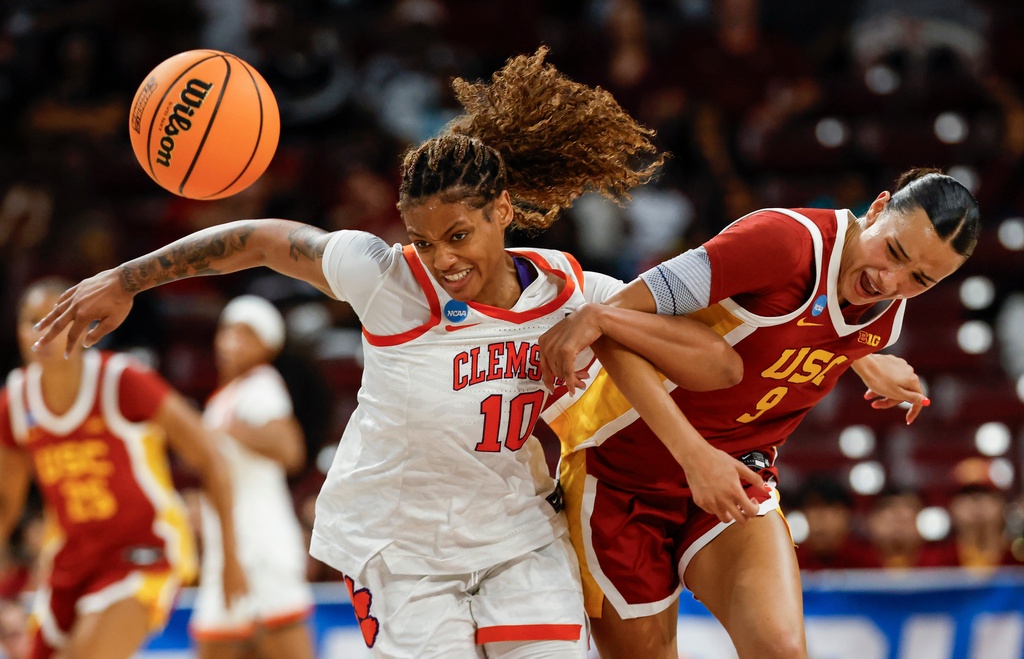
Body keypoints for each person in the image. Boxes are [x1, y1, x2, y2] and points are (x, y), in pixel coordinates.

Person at [30, 48, 740, 658]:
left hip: (515, 527)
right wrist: (125, 277)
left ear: (502, 211)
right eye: (424, 240)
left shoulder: (571, 287)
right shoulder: (387, 277)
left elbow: (713, 356)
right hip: (398, 545)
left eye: (458, 235)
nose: (440, 259)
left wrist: (597, 322)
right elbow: (262, 239)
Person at [538, 168, 980, 658]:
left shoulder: (887, 310)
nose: (890, 280)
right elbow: (609, 323)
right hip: (619, 472)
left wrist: (862, 360)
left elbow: (802, 327)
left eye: (921, 279)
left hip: (734, 474)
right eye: (893, 252)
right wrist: (693, 455)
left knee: (781, 651)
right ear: (875, 209)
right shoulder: (780, 242)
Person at [0, 278, 246, 659]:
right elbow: (7, 502)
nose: (42, 332)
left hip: (144, 548)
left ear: (82, 326)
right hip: (71, 556)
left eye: (56, 319)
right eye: (32, 320)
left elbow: (210, 456)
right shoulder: (14, 401)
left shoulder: (121, 379)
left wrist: (229, 556)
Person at [190, 295, 315, 659]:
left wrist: (230, 430)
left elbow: (291, 450)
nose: (232, 341)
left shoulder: (263, 385)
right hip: (229, 545)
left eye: (246, 334)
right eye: (227, 331)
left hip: (258, 546)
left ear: (267, 346)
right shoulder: (226, 396)